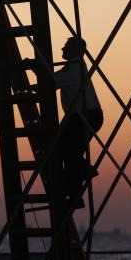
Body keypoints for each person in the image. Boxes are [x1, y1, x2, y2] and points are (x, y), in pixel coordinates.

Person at [52, 36, 103, 205]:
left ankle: (86, 170)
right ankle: (75, 195)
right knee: (70, 153)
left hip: (84, 116)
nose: (62, 49)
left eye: (66, 46)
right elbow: (52, 78)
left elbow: (51, 82)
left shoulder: (74, 69)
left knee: (62, 149)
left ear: (74, 50)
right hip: (84, 116)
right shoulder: (73, 67)